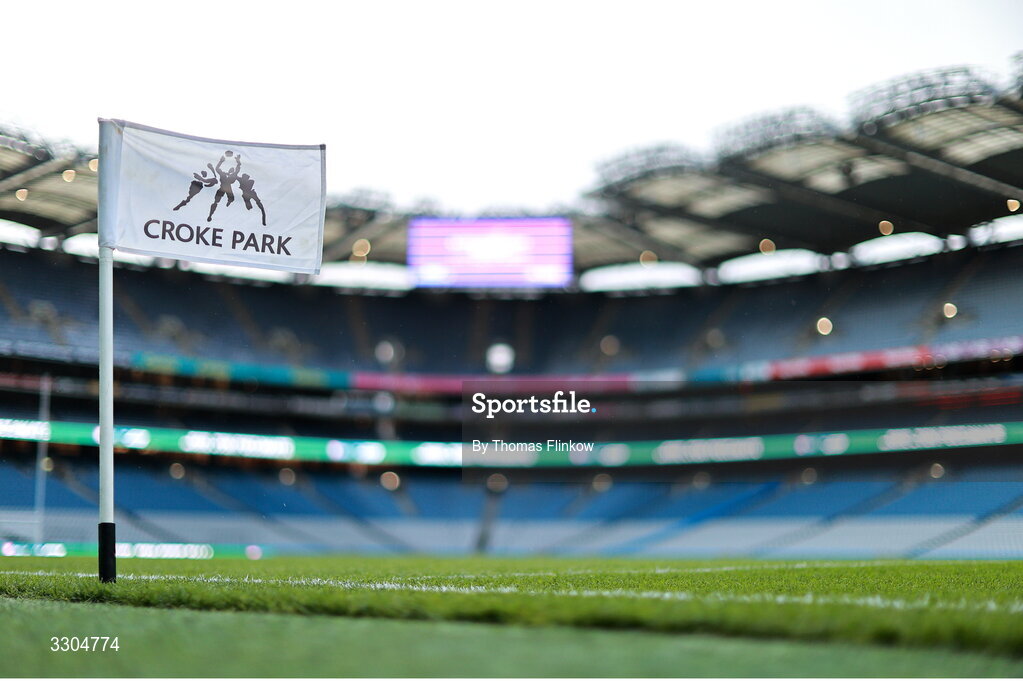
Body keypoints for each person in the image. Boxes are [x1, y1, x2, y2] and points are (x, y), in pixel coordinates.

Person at [206, 151, 241, 222]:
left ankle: (229, 201)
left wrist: (238, 161)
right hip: (222, 188)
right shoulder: (224, 174)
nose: (232, 170)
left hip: (228, 189)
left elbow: (237, 169)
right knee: (216, 202)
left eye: (232, 170)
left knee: (231, 199)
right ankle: (210, 215)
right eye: (231, 169)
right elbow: (217, 169)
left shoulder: (233, 176)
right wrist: (221, 161)